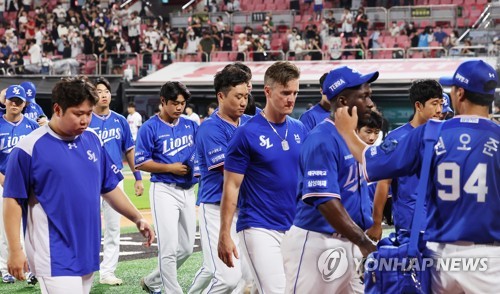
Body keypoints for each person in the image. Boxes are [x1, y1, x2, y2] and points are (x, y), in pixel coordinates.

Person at [335, 59, 500, 294]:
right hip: (490, 257)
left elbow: (372, 161)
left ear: (460, 93)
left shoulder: (430, 133)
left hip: (440, 255)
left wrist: (346, 132)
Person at [3, 77, 154, 293]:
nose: (85, 120)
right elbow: (12, 200)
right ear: (57, 109)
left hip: (87, 247)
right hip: (52, 252)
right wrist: (15, 250)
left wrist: (137, 218)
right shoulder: (28, 148)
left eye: (89, 113)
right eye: (78, 114)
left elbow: (109, 187)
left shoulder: (92, 140)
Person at [281, 66, 377, 293]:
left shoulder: (352, 136)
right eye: (363, 96)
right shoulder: (322, 139)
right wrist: (364, 242)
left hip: (348, 241)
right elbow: (326, 202)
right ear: (343, 101)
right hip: (317, 242)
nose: (370, 103)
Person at [217, 61, 307, 294]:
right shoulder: (245, 134)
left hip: (295, 227)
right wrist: (224, 234)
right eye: (285, 92)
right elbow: (231, 187)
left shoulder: (299, 129)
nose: (291, 99)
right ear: (267, 91)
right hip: (258, 227)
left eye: (295, 93)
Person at [188, 65, 251, 294]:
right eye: (238, 97)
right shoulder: (210, 129)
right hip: (216, 208)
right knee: (227, 278)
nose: (243, 102)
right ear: (221, 96)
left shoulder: (250, 122)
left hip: (245, 209)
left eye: (246, 96)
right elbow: (231, 169)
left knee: (247, 279)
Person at [136, 81, 198, 294]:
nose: (179, 107)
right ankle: (173, 291)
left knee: (187, 247)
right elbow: (141, 162)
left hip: (189, 191)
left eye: (182, 103)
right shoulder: (149, 127)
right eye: (174, 103)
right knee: (169, 247)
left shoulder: (191, 125)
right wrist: (169, 167)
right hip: (164, 190)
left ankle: (152, 280)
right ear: (163, 101)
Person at [366, 79, 443, 242]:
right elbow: (383, 184)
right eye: (434, 104)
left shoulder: (444, 136)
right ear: (418, 105)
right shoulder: (397, 138)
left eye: (441, 104)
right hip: (410, 222)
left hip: (438, 221)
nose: (439, 110)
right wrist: (376, 222)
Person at [88, 77, 144, 286]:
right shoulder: (86, 118)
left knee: (113, 228)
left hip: (114, 181)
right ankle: (87, 269)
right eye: (99, 91)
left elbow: (129, 149)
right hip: (88, 179)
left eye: (106, 91)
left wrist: (138, 178)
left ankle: (107, 272)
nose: (103, 94)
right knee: (88, 226)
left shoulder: (120, 120)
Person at [0, 85, 39, 285]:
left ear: (25, 104)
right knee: (5, 228)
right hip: (2, 181)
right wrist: (3, 180)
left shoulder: (32, 126)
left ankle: (32, 269)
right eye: (11, 100)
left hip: (27, 183)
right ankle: (5, 268)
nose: (14, 104)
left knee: (31, 226)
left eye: (18, 101)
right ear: (4, 101)